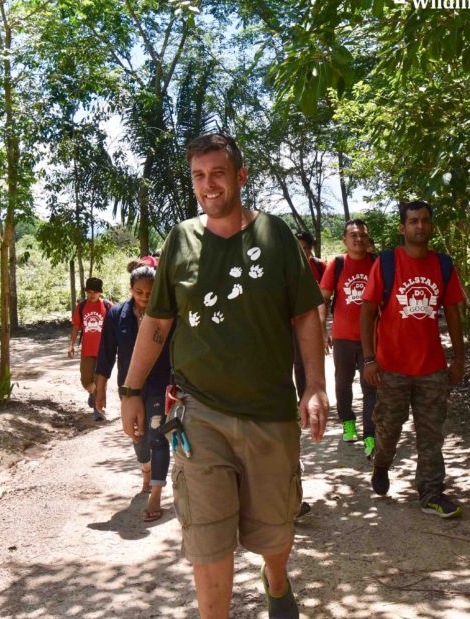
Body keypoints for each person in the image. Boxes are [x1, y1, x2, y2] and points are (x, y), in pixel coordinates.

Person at [118, 133, 329, 619]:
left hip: (270, 411)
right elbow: (158, 321)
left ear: (240, 176)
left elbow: (305, 313)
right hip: (200, 415)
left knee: (274, 531)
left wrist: (315, 386)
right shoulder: (180, 240)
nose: (208, 184)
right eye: (198, 175)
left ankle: (276, 580)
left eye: (217, 173)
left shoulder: (276, 236)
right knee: (207, 537)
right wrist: (130, 389)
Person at [360, 201, 467, 518]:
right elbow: (367, 311)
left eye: (425, 220)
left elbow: (452, 312)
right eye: (413, 221)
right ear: (402, 227)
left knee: (431, 434)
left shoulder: (443, 265)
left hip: (431, 368)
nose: (420, 226)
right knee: (388, 427)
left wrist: (459, 359)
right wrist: (369, 359)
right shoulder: (387, 263)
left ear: (431, 225)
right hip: (392, 367)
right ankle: (381, 463)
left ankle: (431, 492)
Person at [94, 265, 172, 522]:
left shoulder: (168, 315)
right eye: (139, 292)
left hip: (160, 385)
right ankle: (146, 470)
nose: (145, 297)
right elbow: (106, 355)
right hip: (129, 390)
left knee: (158, 436)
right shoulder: (116, 315)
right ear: (130, 290)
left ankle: (156, 494)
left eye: (150, 292)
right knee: (138, 437)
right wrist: (100, 390)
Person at [319, 219, 378, 458]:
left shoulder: (377, 263)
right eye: (353, 235)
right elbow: (323, 298)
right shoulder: (338, 264)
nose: (358, 239)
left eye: (362, 235)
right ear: (344, 239)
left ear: (368, 239)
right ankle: (348, 421)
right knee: (342, 384)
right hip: (343, 337)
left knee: (371, 386)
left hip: (371, 339)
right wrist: (323, 330)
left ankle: (371, 435)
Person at [68, 277, 111, 420]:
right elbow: (76, 326)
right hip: (87, 350)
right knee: (86, 380)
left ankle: (98, 410)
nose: (92, 295)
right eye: (89, 292)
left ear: (100, 292)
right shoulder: (81, 307)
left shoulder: (108, 306)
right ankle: (93, 393)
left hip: (104, 350)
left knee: (101, 380)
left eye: (95, 292)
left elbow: (115, 326)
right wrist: (71, 345)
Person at [293, 231, 327, 398]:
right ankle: (302, 400)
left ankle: (316, 396)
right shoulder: (286, 268)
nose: (301, 252)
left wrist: (324, 327)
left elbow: (326, 296)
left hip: (313, 322)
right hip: (292, 323)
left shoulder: (319, 266)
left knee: (313, 361)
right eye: (297, 248)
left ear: (311, 248)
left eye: (305, 248)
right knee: (298, 364)